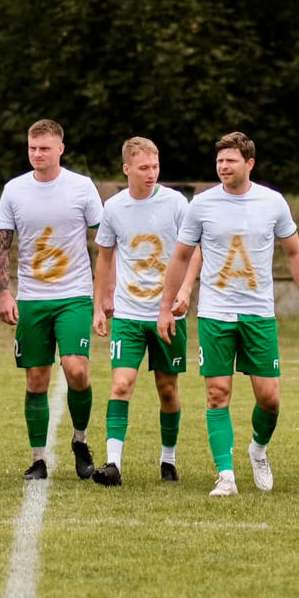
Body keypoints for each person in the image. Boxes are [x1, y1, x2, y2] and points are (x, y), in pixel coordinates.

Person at [161, 132, 299, 497]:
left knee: (270, 399)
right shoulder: (201, 205)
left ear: (249, 163)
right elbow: (182, 256)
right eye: (219, 160)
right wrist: (168, 305)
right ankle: (226, 475)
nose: (223, 166)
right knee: (218, 393)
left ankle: (258, 449)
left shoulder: (272, 202)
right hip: (216, 313)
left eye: (230, 160)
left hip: (258, 314)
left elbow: (296, 254)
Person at [0, 119, 106, 481]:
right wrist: (4, 292)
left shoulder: (81, 187)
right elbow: (2, 244)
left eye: (44, 148)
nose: (37, 154)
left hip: (74, 295)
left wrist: (103, 292)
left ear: (61, 148)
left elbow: (103, 242)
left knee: (76, 369)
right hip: (32, 299)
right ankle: (39, 458)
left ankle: (80, 440)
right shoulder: (14, 190)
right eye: (32, 148)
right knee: (36, 380)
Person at [90, 137, 201, 486]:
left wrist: (184, 291)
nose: (151, 174)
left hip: (168, 315)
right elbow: (104, 257)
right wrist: (100, 303)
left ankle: (168, 459)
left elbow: (195, 250)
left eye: (155, 167)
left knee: (168, 390)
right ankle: (113, 464)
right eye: (143, 168)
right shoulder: (114, 208)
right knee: (121, 384)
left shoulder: (176, 204)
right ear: (127, 169)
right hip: (128, 315)